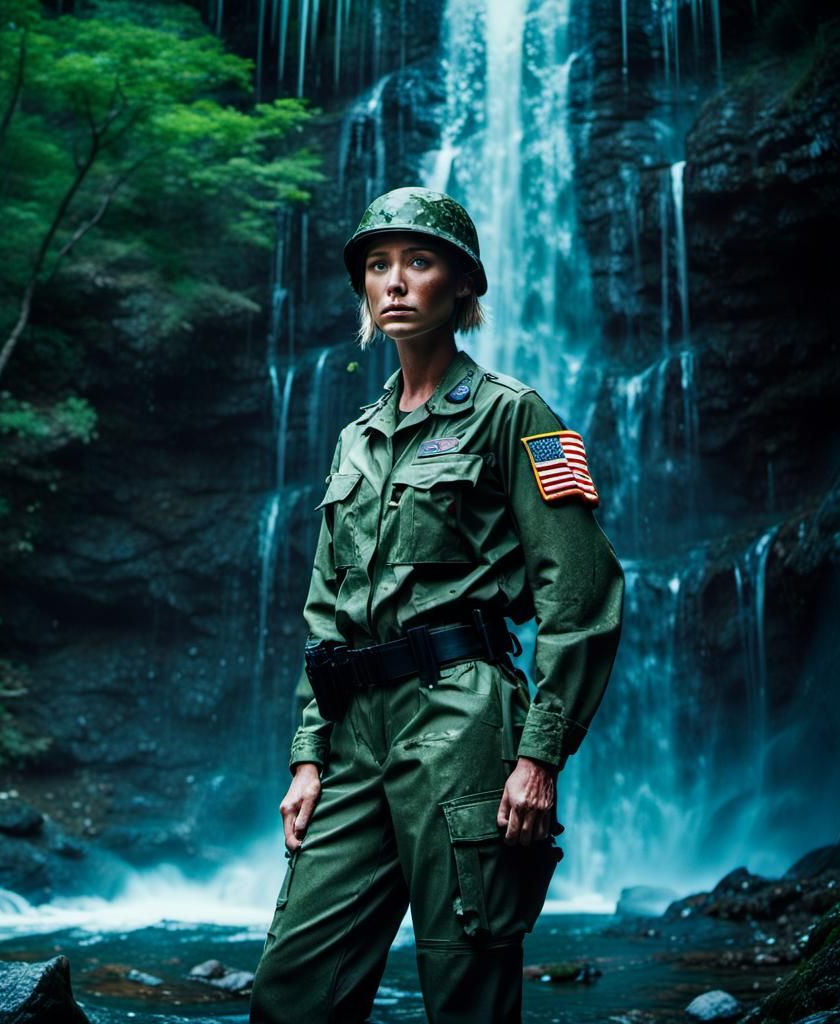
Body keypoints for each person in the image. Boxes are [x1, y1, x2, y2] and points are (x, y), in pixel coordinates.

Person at [249, 186, 625, 1024]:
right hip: (356, 735)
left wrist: (540, 756)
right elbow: (326, 614)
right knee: (291, 992)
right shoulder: (356, 437)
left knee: (466, 986)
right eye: (378, 265)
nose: (393, 282)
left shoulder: (513, 415)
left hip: (463, 723)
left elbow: (584, 593)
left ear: (463, 285)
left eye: (418, 262)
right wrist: (308, 755)